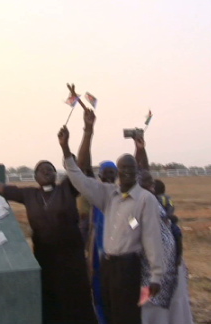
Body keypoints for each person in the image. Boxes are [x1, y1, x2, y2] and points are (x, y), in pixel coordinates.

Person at [0, 160, 96, 324]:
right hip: (46, 261)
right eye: (42, 170)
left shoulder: (66, 189)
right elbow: (2, 189)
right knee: (51, 304)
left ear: (56, 174)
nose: (46, 172)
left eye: (50, 169)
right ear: (35, 176)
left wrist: (82, 137)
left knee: (77, 303)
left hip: (72, 262)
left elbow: (80, 167)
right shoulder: (29, 194)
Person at [59, 123, 164, 324]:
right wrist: (65, 148)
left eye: (131, 168)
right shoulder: (108, 195)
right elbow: (80, 179)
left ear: (136, 171)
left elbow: (152, 237)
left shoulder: (145, 199)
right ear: (117, 172)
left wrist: (156, 275)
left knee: (128, 316)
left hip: (129, 267)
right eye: (123, 168)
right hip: (107, 265)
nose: (127, 172)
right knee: (109, 311)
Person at [135, 138, 194, 324]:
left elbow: (143, 170)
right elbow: (129, 228)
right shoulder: (132, 207)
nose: (149, 186)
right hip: (148, 270)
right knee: (153, 310)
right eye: (145, 184)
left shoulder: (158, 201)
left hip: (173, 268)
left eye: (151, 183)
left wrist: (141, 149)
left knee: (177, 307)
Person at [75, 108, 118, 324]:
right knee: (98, 293)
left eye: (113, 174)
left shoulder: (124, 198)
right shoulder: (96, 192)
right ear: (99, 175)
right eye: (106, 173)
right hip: (96, 253)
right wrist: (88, 131)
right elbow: (83, 167)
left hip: (119, 255)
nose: (109, 177)